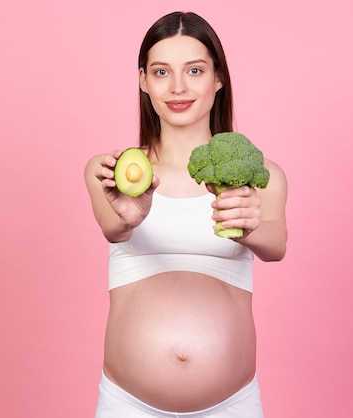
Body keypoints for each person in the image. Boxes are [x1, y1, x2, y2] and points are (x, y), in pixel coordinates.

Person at [84, 11, 287, 418]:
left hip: (232, 405)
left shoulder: (258, 176)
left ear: (218, 78)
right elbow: (113, 229)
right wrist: (129, 215)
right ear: (143, 80)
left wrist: (248, 228)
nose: (178, 86)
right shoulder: (112, 170)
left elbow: (276, 245)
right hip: (128, 405)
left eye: (194, 70)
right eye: (161, 72)